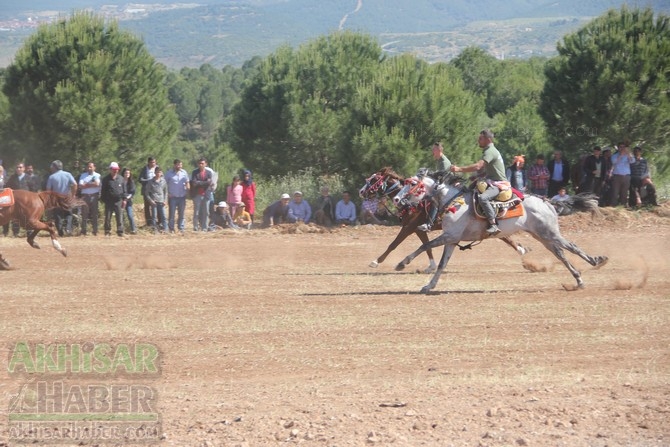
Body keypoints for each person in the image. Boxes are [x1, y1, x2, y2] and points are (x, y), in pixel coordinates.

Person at [450, 129, 507, 236]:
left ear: (488, 139)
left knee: (483, 198)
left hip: (498, 184)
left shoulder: (490, 151)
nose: (478, 140)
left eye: (481, 138)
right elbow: (489, 170)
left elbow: (478, 166)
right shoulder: (490, 150)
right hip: (492, 181)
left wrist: (458, 169)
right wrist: (477, 176)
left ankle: (493, 224)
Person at [418, 142, 453, 231]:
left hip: (448, 186)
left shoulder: (444, 162)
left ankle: (429, 223)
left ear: (439, 150)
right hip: (443, 184)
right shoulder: (439, 160)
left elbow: (442, 177)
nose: (432, 151)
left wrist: (429, 174)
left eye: (434, 149)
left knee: (434, 199)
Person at [45, 160, 77, 237]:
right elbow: (75, 184)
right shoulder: (68, 174)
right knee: (68, 214)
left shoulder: (52, 177)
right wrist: (73, 195)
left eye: (52, 166)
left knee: (57, 215)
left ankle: (60, 231)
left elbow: (48, 189)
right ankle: (68, 228)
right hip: (67, 197)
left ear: (55, 167)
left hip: (56, 199)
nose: (51, 168)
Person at [100, 162, 126, 237]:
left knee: (119, 217)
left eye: (117, 169)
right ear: (110, 169)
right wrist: (104, 200)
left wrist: (124, 199)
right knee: (108, 217)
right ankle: (107, 231)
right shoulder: (105, 179)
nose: (115, 171)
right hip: (109, 201)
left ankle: (120, 231)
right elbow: (103, 190)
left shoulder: (121, 178)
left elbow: (124, 190)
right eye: (114, 169)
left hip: (118, 201)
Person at [5, 163, 30, 236]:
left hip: (27, 201)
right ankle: (15, 232)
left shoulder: (28, 177)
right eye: (17, 167)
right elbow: (7, 187)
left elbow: (33, 189)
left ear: (24, 168)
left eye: (20, 167)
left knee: (28, 216)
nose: (18, 169)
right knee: (15, 216)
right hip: (16, 201)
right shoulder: (12, 178)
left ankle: (29, 231)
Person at [165, 159, 190, 234]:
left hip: (182, 196)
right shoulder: (169, 173)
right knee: (172, 214)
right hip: (172, 197)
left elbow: (187, 182)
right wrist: (167, 193)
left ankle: (181, 228)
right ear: (174, 165)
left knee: (181, 214)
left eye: (181, 165)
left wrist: (188, 189)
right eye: (178, 165)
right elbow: (164, 184)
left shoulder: (184, 172)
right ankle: (171, 229)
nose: (180, 166)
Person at [78, 162, 101, 236]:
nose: (89, 168)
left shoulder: (97, 175)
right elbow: (80, 186)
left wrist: (86, 185)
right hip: (85, 196)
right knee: (84, 214)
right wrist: (92, 184)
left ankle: (95, 231)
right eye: (88, 167)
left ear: (94, 168)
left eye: (91, 167)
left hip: (94, 196)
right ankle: (83, 231)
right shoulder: (83, 175)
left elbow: (97, 184)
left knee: (94, 214)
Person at [190, 158, 213, 232]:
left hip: (206, 194)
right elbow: (194, 183)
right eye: (199, 163)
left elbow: (209, 183)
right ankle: (196, 227)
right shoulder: (195, 172)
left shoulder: (209, 172)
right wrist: (204, 183)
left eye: (202, 163)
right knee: (196, 212)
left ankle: (204, 228)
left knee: (206, 212)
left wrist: (199, 183)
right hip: (197, 194)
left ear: (206, 164)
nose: (201, 165)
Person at [609, 142, 634, 207]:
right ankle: (613, 206)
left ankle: (623, 206)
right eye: (620, 147)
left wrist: (628, 154)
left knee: (624, 192)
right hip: (617, 176)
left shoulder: (628, 155)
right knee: (615, 192)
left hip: (626, 176)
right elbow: (614, 162)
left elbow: (632, 161)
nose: (622, 148)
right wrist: (620, 155)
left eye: (623, 147)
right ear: (618, 148)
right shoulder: (615, 155)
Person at [144, 167, 168, 234]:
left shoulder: (163, 181)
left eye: (160, 172)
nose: (158, 173)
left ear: (161, 173)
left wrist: (165, 200)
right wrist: (151, 201)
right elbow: (147, 193)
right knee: (154, 217)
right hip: (154, 201)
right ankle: (155, 230)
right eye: (157, 172)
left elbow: (166, 192)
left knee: (163, 216)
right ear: (154, 173)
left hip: (161, 201)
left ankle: (166, 229)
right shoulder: (151, 182)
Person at [139, 157, 159, 227]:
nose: (153, 164)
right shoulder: (145, 169)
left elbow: (162, 178)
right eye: (152, 162)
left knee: (157, 206)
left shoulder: (158, 168)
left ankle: (158, 222)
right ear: (148, 162)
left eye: (154, 162)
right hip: (147, 191)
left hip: (156, 191)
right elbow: (140, 179)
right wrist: (149, 181)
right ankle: (149, 223)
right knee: (147, 207)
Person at [121, 167, 138, 234]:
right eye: (126, 173)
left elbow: (132, 192)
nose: (127, 174)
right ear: (123, 173)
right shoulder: (120, 181)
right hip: (121, 201)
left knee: (130, 215)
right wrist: (123, 198)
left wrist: (127, 198)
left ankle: (133, 229)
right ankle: (121, 230)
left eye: (128, 173)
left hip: (129, 201)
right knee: (121, 216)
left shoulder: (131, 182)